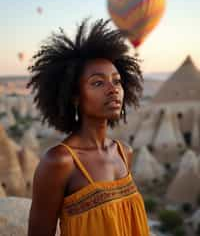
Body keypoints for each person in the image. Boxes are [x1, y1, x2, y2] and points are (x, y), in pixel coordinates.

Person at [27, 19, 150, 236]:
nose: (113, 90)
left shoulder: (124, 152)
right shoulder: (59, 162)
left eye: (117, 81)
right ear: (74, 96)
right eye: (98, 82)